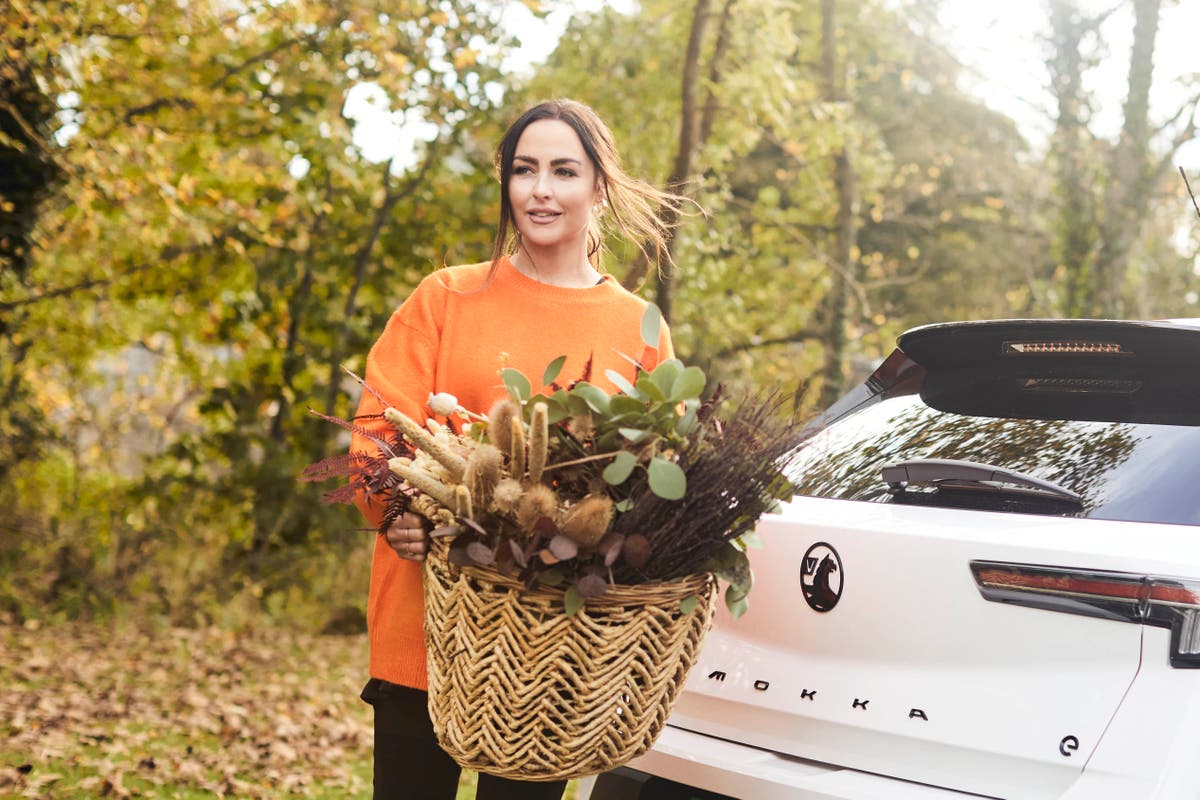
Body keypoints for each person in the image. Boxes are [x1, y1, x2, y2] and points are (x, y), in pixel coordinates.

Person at [349, 98, 688, 800]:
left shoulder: (638, 326)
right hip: (431, 626)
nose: (540, 189)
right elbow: (379, 432)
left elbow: (664, 472)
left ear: (598, 185)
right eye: (524, 170)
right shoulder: (445, 298)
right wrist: (395, 509)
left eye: (563, 171)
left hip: (552, 643)